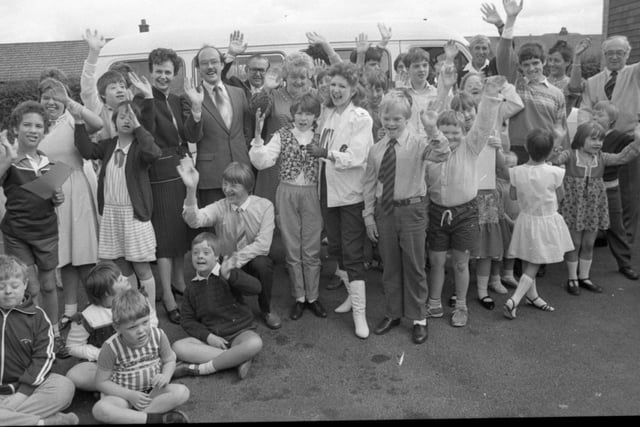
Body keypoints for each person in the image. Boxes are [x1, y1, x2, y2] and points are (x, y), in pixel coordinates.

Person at [363, 90, 448, 344]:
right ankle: (393, 313)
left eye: (397, 119)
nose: (390, 123)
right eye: (387, 118)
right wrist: (368, 216)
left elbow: (443, 154)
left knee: (414, 264)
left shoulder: (419, 143)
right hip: (384, 210)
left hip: (412, 210)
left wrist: (433, 130)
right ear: (380, 117)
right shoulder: (376, 149)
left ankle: (419, 318)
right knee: (390, 265)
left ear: (407, 119)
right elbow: (369, 184)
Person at [424, 74, 507, 328]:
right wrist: (442, 90)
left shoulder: (471, 147)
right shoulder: (430, 149)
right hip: (437, 211)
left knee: (461, 263)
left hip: (465, 213)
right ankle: (434, 302)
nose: (450, 137)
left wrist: (490, 96)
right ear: (437, 133)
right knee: (437, 262)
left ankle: (461, 304)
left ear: (464, 132)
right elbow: (428, 122)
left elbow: (482, 124)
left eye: (455, 132)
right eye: (445, 132)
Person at [74, 100, 162, 309]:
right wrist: (78, 121)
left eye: (131, 116)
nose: (126, 120)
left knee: (142, 267)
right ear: (113, 121)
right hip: (112, 216)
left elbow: (154, 153)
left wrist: (139, 127)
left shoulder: (141, 147)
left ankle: (149, 313)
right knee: (122, 268)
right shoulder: (109, 145)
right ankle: (131, 309)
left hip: (134, 214)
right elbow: (87, 150)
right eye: (122, 116)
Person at [307, 62, 373, 339]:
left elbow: (358, 157)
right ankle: (350, 296)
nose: (336, 90)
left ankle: (361, 314)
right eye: (332, 85)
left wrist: (326, 152)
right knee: (336, 248)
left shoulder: (361, 117)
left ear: (353, 89)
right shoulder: (328, 114)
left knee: (352, 251)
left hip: (351, 195)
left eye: (342, 86)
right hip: (328, 191)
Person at [250, 94, 327, 320]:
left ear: (316, 116)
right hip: (287, 191)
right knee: (292, 247)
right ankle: (299, 297)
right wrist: (257, 136)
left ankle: (313, 296)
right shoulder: (282, 135)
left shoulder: (321, 137)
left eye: (308, 113)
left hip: (313, 193)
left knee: (311, 248)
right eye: (299, 113)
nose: (303, 118)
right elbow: (262, 161)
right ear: (292, 114)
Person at [178, 161, 282, 330]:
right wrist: (191, 189)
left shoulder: (265, 206)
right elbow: (194, 221)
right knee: (223, 281)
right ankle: (238, 308)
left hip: (249, 258)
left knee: (263, 264)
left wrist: (234, 260)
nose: (227, 189)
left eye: (233, 185)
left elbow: (263, 245)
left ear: (248, 186)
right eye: (225, 184)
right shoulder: (220, 206)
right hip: (226, 263)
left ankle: (267, 309)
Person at [0, 101, 67, 357]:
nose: (33, 129)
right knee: (31, 287)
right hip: (17, 234)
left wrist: (57, 198)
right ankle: (35, 336)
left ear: (45, 130)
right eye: (27, 124)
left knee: (49, 285)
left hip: (47, 233)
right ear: (16, 128)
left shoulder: (48, 162)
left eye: (38, 125)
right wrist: (7, 158)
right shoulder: (8, 158)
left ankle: (55, 333)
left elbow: (51, 196)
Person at [37, 76, 102, 339]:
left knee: (85, 256)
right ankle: (70, 310)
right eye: (46, 97)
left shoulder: (72, 119)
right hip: (49, 192)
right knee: (65, 256)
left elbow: (98, 124)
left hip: (75, 188)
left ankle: (99, 307)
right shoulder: (37, 123)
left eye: (56, 97)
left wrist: (73, 105)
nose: (51, 102)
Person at [129, 47, 190, 325]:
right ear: (150, 72)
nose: (163, 76)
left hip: (181, 169)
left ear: (174, 74)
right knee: (164, 240)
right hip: (159, 174)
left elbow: (186, 135)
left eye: (168, 72)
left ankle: (178, 281)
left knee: (180, 232)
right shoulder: (143, 100)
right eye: (159, 72)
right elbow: (149, 134)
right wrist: (151, 98)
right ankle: (166, 295)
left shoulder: (176, 99)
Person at [550, 121, 640, 296]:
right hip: (574, 206)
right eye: (593, 139)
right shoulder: (570, 155)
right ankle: (572, 278)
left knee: (589, 243)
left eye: (600, 139)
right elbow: (552, 161)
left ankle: (584, 277)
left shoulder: (602, 157)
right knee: (574, 244)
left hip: (593, 206)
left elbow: (623, 157)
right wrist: (557, 140)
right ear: (581, 138)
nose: (598, 143)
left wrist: (637, 141)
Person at [171, 232, 263, 380]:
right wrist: (209, 337)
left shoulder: (227, 273)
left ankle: (200, 368)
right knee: (177, 347)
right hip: (214, 339)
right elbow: (187, 321)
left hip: (241, 332)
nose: (200, 256)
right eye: (195, 253)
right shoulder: (191, 289)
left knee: (255, 343)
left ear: (216, 256)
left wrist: (230, 276)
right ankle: (237, 359)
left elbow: (257, 288)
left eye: (206, 252)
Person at [503, 129, 574, 319]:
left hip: (525, 219)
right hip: (545, 220)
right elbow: (562, 197)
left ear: (526, 147)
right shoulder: (555, 172)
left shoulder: (516, 172)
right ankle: (514, 299)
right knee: (536, 260)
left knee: (529, 256)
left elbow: (512, 195)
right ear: (550, 151)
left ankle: (532, 296)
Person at [0, 255, 79, 426]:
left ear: (25, 284)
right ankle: (43, 422)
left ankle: (8, 419)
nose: (8, 291)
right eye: (1, 287)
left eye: (14, 286)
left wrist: (22, 394)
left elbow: (44, 357)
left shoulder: (38, 317)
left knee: (64, 387)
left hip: (28, 390)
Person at [92, 288, 190, 424]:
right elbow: (101, 382)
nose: (141, 331)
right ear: (117, 327)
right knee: (100, 409)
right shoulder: (110, 347)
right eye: (132, 327)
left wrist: (166, 376)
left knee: (182, 392)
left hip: (152, 391)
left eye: (145, 322)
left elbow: (169, 360)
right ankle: (155, 419)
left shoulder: (158, 335)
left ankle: (133, 418)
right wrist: (130, 395)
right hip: (122, 396)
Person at [580, 35, 640, 245]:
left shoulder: (634, 73)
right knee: (601, 188)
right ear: (604, 55)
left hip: (629, 139)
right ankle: (601, 232)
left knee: (629, 190)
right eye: (610, 53)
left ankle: (627, 237)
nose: (614, 57)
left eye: (620, 53)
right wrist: (588, 133)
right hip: (599, 141)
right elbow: (586, 109)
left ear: (628, 54)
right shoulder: (593, 81)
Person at [65, 261, 159, 392]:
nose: (126, 278)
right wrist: (99, 354)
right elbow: (72, 347)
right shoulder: (87, 317)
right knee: (74, 375)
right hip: (107, 365)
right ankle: (134, 383)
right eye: (120, 279)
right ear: (107, 292)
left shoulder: (138, 299)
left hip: (139, 355)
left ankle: (115, 388)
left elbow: (153, 321)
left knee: (167, 355)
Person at [496, 0, 569, 164]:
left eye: (535, 63)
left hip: (546, 152)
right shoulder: (515, 85)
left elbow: (560, 128)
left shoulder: (557, 94)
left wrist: (556, 153)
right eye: (526, 65)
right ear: (520, 67)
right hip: (517, 150)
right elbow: (503, 56)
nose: (531, 68)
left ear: (543, 62)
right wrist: (510, 20)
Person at [182, 44, 253, 208]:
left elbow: (246, 131)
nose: (210, 67)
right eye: (204, 63)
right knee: (215, 229)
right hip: (212, 177)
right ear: (199, 68)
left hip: (242, 174)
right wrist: (197, 108)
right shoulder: (190, 97)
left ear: (222, 64)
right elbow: (192, 137)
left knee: (243, 226)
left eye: (214, 62)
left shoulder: (238, 93)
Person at [250, 51, 317, 205]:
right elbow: (255, 111)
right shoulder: (274, 94)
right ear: (286, 76)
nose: (298, 81)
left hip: (305, 166)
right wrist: (266, 89)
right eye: (294, 76)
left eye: (303, 77)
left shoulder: (315, 96)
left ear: (309, 77)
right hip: (274, 164)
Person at [591, 101, 639, 280]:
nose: (595, 117)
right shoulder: (586, 135)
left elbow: (633, 147)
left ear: (611, 120)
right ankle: (577, 268)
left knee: (616, 227)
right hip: (588, 188)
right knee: (581, 226)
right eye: (593, 114)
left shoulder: (619, 137)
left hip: (610, 189)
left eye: (600, 115)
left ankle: (624, 264)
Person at [80, 29, 129, 140]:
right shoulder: (97, 109)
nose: (120, 90)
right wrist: (94, 53)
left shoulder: (132, 109)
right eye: (113, 87)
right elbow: (87, 88)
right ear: (102, 95)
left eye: (122, 86)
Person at [547, 39, 590, 116]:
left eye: (556, 61)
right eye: (550, 60)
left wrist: (577, 57)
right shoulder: (541, 81)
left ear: (567, 62)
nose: (552, 64)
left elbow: (574, 88)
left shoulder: (569, 83)